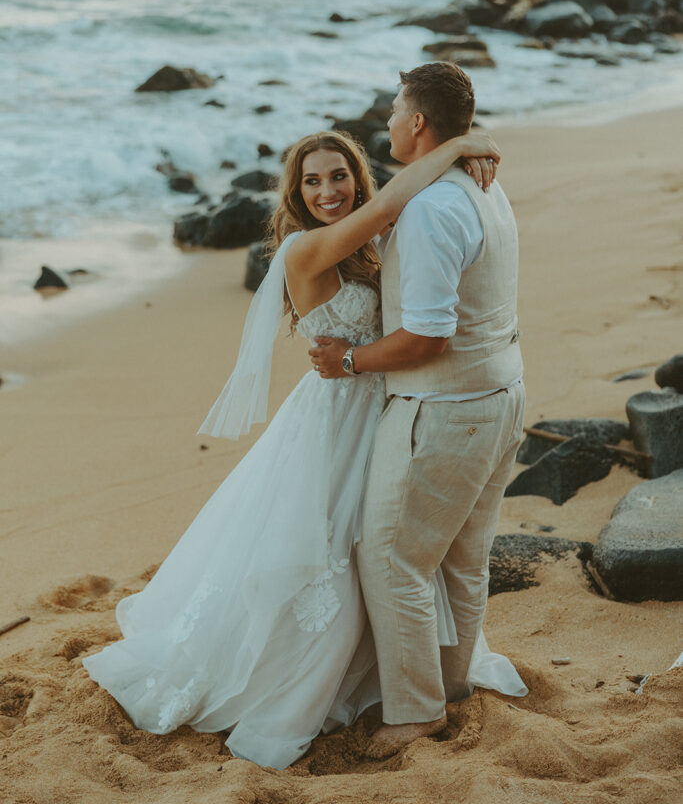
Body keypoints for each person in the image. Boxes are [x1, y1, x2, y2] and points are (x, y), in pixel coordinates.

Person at [82, 115, 523, 771]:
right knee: (337, 550)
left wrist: (469, 141)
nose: (327, 190)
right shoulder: (303, 250)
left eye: (339, 175)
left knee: (389, 545)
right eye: (312, 180)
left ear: (355, 175)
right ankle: (310, 686)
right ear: (295, 192)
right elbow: (391, 201)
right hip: (337, 419)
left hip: (388, 406)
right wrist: (459, 145)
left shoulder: (370, 248)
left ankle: (401, 677)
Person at [310, 61, 526, 759]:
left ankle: (414, 710)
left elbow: (425, 337)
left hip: (444, 410)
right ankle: (453, 684)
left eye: (394, 112)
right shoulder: (483, 186)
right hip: (500, 396)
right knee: (463, 559)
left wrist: (349, 360)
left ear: (416, 123)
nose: (386, 124)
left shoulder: (432, 208)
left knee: (393, 559)